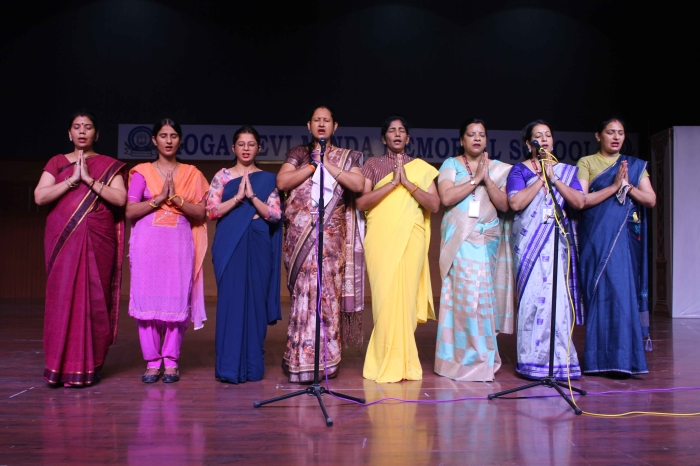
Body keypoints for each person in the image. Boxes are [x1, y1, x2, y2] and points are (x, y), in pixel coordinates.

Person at [34, 110, 127, 386]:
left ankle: (90, 365)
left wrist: (89, 180)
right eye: (77, 127)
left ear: (96, 134)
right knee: (62, 298)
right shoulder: (57, 162)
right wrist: (72, 180)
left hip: (97, 240)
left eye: (88, 127)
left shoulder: (109, 165)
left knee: (95, 300)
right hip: (63, 238)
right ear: (69, 133)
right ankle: (59, 366)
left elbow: (120, 199)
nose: (82, 131)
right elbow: (40, 197)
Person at [276, 105, 365, 383]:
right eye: (317, 120)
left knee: (327, 295)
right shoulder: (299, 154)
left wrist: (328, 164)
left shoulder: (347, 157)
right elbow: (282, 181)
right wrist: (313, 165)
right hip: (300, 238)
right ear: (309, 125)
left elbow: (358, 185)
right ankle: (299, 360)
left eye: (327, 120)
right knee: (303, 295)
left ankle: (327, 361)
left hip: (331, 242)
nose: (322, 124)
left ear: (335, 126)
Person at [357, 116, 440, 383]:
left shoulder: (421, 168)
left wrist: (409, 185)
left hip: (411, 239)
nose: (397, 134)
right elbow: (362, 203)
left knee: (405, 299)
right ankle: (383, 360)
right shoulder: (372, 165)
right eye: (391, 131)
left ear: (408, 138)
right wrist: (393, 183)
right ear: (384, 138)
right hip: (380, 239)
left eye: (401, 130)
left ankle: (404, 362)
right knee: (384, 299)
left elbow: (434, 205)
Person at [126, 118, 209, 383]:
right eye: (163, 135)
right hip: (147, 245)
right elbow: (130, 211)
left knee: (176, 299)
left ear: (180, 140)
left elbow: (201, 213)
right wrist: (159, 199)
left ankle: (171, 360)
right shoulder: (141, 172)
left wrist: (177, 200)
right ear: (154, 140)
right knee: (147, 300)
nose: (169, 140)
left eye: (173, 135)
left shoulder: (192, 174)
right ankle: (152, 361)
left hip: (178, 245)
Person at [434, 118, 514, 382]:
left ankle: (483, 358)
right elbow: (446, 197)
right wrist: (475, 179)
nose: (477, 138)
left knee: (483, 301)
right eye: (471, 134)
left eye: (481, 134)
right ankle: (458, 359)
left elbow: (505, 205)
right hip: (461, 241)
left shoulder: (498, 169)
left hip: (487, 240)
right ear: (462, 140)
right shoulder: (451, 164)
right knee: (464, 301)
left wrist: (487, 179)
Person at [506, 120, 586, 380]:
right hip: (529, 247)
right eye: (538, 136)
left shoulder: (566, 172)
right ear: (529, 144)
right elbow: (515, 203)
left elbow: (579, 202)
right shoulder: (519, 170)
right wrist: (540, 178)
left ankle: (559, 362)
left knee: (557, 302)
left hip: (557, 246)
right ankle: (531, 362)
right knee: (532, 302)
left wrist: (554, 179)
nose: (544, 140)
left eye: (548, 135)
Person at [577, 118, 656, 376]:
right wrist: (613, 187)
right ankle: (598, 361)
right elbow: (582, 199)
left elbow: (650, 199)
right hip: (596, 238)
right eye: (610, 132)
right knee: (601, 295)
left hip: (624, 239)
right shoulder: (587, 163)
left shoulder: (634, 166)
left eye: (620, 133)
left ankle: (625, 360)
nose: (616, 137)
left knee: (622, 296)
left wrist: (627, 187)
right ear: (598, 135)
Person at [207, 125, 283, 383]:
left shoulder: (268, 180)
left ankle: (251, 366)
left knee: (256, 302)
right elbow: (211, 211)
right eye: (241, 144)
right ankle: (229, 367)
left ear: (258, 148)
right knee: (231, 302)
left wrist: (253, 197)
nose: (246, 148)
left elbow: (275, 215)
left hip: (259, 242)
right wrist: (238, 198)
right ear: (233, 148)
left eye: (251, 144)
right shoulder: (223, 176)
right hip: (230, 243)